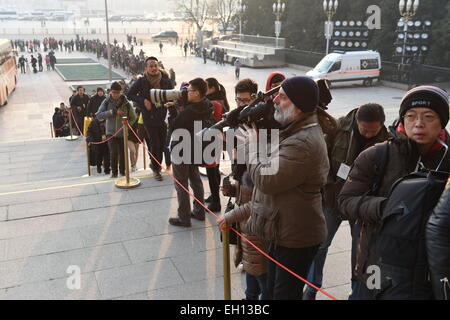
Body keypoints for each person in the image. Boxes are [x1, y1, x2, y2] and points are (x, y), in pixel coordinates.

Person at [338, 86, 450, 300]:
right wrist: (384, 207)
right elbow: (345, 201)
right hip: (377, 263)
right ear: (402, 119)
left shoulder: (447, 159)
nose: (418, 124)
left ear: (442, 121)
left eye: (428, 117)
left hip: (428, 272)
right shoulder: (378, 154)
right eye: (411, 116)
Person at [238, 76, 330, 299]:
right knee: (271, 291)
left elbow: (267, 179)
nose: (276, 100)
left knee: (283, 296)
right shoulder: (293, 129)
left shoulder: (302, 142)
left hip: (296, 237)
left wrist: (252, 148)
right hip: (282, 230)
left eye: (283, 97)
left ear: (299, 105)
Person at [303, 103, 390, 300]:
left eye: (373, 131)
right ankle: (311, 287)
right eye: (364, 129)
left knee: (361, 250)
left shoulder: (387, 140)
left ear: (381, 126)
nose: (368, 134)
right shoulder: (339, 127)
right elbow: (321, 157)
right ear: (356, 121)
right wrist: (328, 184)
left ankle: (356, 290)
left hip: (361, 204)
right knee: (320, 245)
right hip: (333, 198)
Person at [168, 78, 215, 227]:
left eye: (189, 90)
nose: (186, 92)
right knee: (195, 180)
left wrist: (172, 109)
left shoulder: (188, 111)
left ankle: (184, 218)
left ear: (197, 93)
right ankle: (199, 212)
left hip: (181, 148)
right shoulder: (208, 104)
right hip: (196, 148)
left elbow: (174, 126)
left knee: (181, 184)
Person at [127, 56, 174, 181]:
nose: (153, 68)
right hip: (149, 116)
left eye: (155, 65)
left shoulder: (165, 80)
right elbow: (129, 94)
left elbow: (171, 94)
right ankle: (156, 169)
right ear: (146, 68)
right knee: (155, 144)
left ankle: (155, 165)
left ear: (158, 66)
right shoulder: (141, 81)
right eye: (151, 66)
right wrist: (143, 100)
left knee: (162, 143)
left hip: (163, 116)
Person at [97, 82, 136, 178]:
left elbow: (133, 117)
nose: (116, 94)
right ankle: (114, 173)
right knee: (113, 152)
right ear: (110, 92)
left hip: (122, 132)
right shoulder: (106, 101)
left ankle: (123, 172)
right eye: (114, 92)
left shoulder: (126, 102)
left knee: (123, 153)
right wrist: (113, 112)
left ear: (121, 92)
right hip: (110, 132)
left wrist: (127, 125)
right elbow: (99, 115)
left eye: (118, 92)